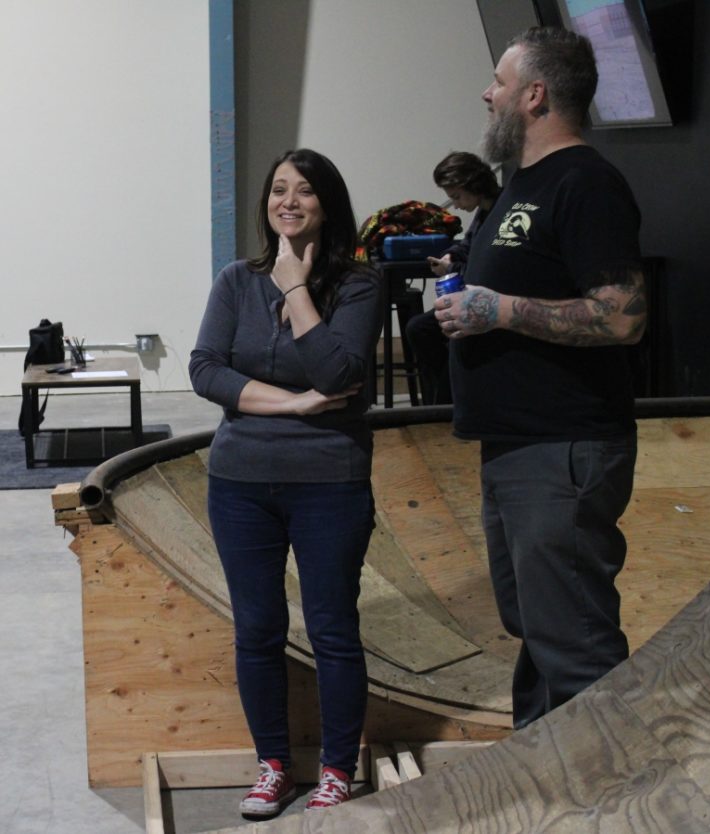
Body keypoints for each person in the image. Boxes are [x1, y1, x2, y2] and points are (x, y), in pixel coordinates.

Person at [434, 27, 647, 729]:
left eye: (498, 81)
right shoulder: (521, 184)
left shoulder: (586, 182)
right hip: (516, 445)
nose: (485, 93)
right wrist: (472, 310)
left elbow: (621, 319)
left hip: (564, 449)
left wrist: (500, 310)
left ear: (533, 94)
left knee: (575, 643)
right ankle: (541, 775)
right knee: (538, 627)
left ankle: (611, 800)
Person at [189, 148, 383, 817]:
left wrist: (296, 287)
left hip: (329, 481)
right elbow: (205, 370)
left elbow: (337, 373)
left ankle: (335, 770)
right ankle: (273, 765)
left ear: (327, 203)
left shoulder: (358, 285)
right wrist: (293, 404)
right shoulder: (236, 281)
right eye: (278, 190)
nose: (288, 202)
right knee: (258, 629)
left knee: (332, 629)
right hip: (240, 481)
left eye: (303, 191)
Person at [405, 152, 501, 405]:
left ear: (474, 186)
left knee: (438, 332)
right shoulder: (483, 213)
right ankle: (443, 399)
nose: (455, 205)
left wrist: (453, 266)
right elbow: (468, 247)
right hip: (472, 293)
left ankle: (447, 401)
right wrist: (450, 256)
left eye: (457, 196)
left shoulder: (502, 212)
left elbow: (488, 265)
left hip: (491, 300)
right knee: (420, 328)